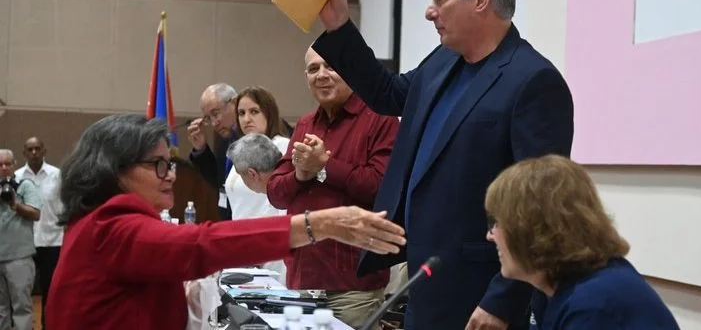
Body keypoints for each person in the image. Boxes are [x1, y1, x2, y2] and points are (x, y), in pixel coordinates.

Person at [310, 0, 574, 328]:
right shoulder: (443, 60)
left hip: (480, 293)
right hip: (424, 280)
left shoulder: (533, 82)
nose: (429, 11)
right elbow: (388, 94)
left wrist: (503, 300)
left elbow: (541, 210)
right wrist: (339, 26)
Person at [46, 114, 406, 330]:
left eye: (169, 163)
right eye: (158, 164)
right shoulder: (110, 225)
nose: (170, 175)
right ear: (116, 170)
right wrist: (318, 225)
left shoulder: (97, 219)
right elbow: (200, 244)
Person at [266, 47, 401, 327]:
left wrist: (325, 167)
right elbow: (276, 193)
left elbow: (380, 187)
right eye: (313, 69)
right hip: (301, 282)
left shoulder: (381, 119)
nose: (322, 75)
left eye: (331, 66)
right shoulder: (305, 124)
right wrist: (301, 175)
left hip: (353, 287)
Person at [484, 155, 679, 329]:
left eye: (498, 223)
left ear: (530, 228)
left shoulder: (594, 304)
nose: (490, 235)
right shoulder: (550, 286)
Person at [224, 86, 291, 279]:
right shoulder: (240, 151)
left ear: (268, 113)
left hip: (268, 248)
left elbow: (281, 203)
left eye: (254, 111)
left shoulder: (282, 147)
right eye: (241, 113)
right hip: (241, 245)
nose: (246, 119)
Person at [14, 137, 61, 330]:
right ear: (24, 153)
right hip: (24, 242)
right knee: (21, 292)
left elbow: (65, 205)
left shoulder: (57, 175)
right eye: (30, 149)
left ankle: (47, 326)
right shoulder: (16, 177)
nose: (34, 152)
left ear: (44, 150)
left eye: (37, 148)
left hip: (53, 240)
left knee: (51, 292)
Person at [0, 149, 41, 330]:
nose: (3, 168)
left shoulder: (25, 186)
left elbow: (35, 213)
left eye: (7, 164)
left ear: (14, 165)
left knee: (21, 307)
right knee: (1, 309)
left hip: (19, 257)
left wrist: (15, 205)